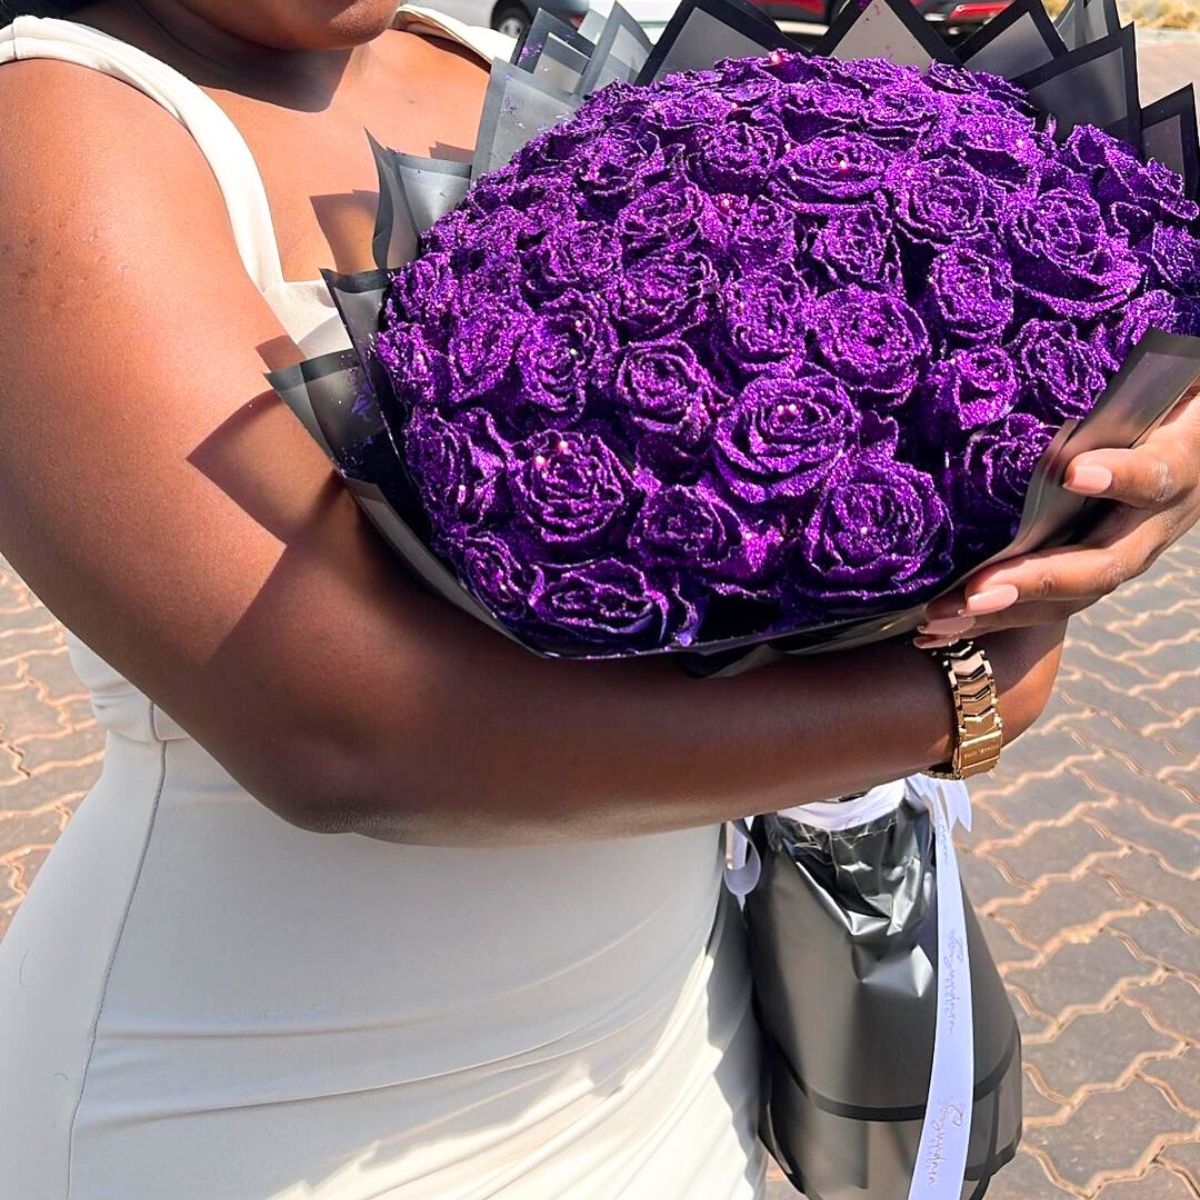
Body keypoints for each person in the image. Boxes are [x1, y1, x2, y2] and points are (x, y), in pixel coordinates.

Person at [0, 1, 1188, 1196]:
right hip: (271, 1106)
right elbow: (344, 735)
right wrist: (955, 704)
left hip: (665, 1037)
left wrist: (1130, 451)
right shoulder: (51, 129)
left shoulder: (475, 58)